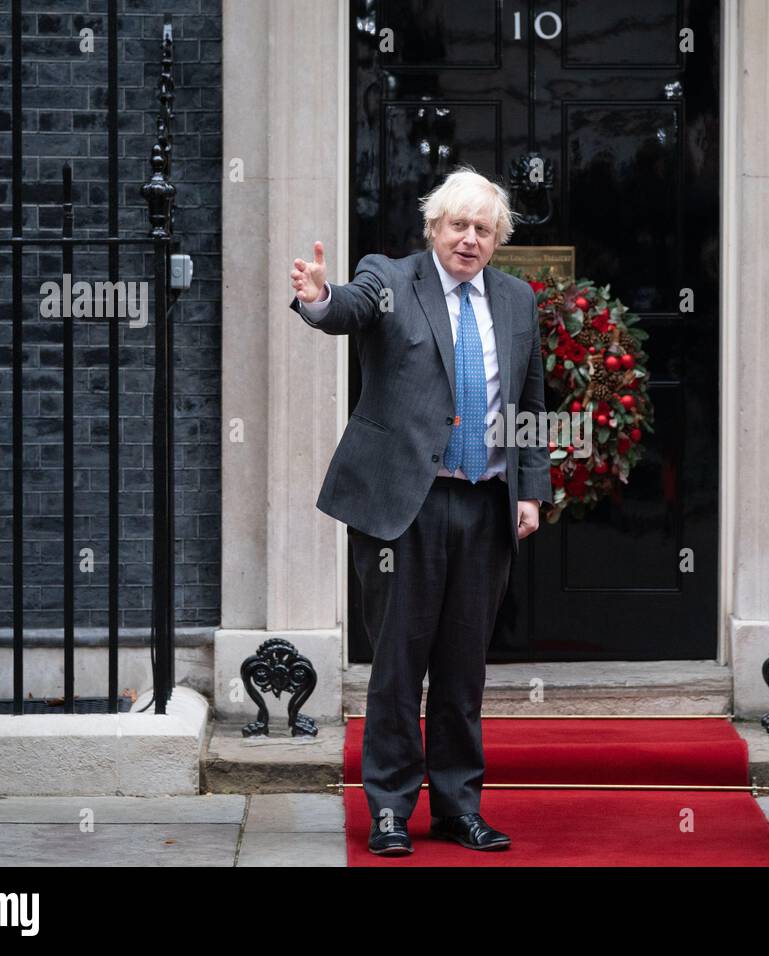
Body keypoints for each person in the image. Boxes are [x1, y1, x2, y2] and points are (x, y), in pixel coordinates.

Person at [288, 166, 552, 855]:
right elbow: (347, 308)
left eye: (483, 228)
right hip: (404, 505)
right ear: (433, 227)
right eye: (457, 225)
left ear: (498, 240)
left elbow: (529, 403)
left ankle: (459, 807)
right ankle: (387, 809)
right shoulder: (391, 280)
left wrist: (530, 489)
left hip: (485, 506)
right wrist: (320, 299)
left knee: (464, 669)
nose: (470, 239)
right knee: (399, 664)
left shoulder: (518, 301)